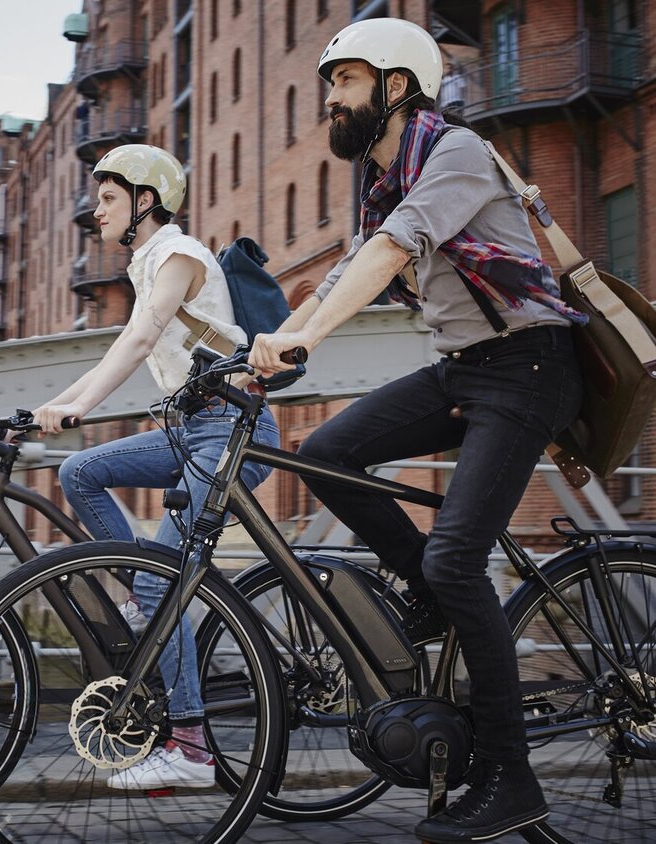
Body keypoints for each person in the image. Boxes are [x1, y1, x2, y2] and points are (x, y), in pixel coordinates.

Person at [249, 18, 585, 844]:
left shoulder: (457, 155)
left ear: (397, 87)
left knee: (457, 553)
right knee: (326, 452)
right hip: (467, 367)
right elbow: (343, 268)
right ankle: (432, 595)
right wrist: (266, 343)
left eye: (346, 82)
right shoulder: (386, 173)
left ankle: (510, 778)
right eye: (332, 84)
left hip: (530, 363)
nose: (331, 99)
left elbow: (392, 254)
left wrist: (307, 341)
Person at [33, 143, 280, 789]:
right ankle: (146, 601)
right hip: (191, 429)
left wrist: (80, 406)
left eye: (110, 198)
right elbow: (127, 342)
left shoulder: (178, 255)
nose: (98, 211)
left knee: (159, 580)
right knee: (80, 473)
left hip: (230, 434)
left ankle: (193, 750)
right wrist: (52, 407)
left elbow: (139, 339)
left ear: (147, 201)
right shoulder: (149, 262)